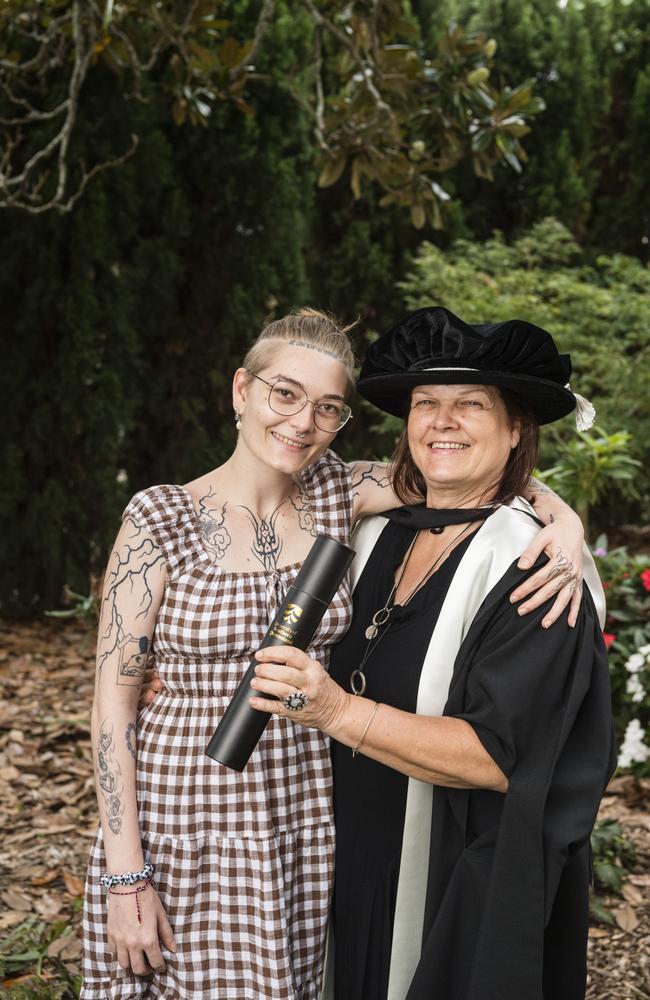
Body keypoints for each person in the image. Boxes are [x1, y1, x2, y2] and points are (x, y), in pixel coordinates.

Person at [82, 307, 588, 1000]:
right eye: (283, 394)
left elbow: (472, 475)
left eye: (327, 407)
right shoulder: (158, 519)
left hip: (305, 811)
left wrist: (565, 521)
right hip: (185, 812)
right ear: (241, 391)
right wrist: (124, 873)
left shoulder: (338, 495)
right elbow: (112, 706)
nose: (300, 422)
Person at [248, 306, 616, 1000]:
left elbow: (499, 757)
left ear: (515, 430)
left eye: (470, 404)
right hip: (342, 857)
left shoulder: (536, 568)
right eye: (426, 404)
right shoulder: (373, 533)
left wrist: (333, 708)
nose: (442, 421)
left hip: (456, 877)